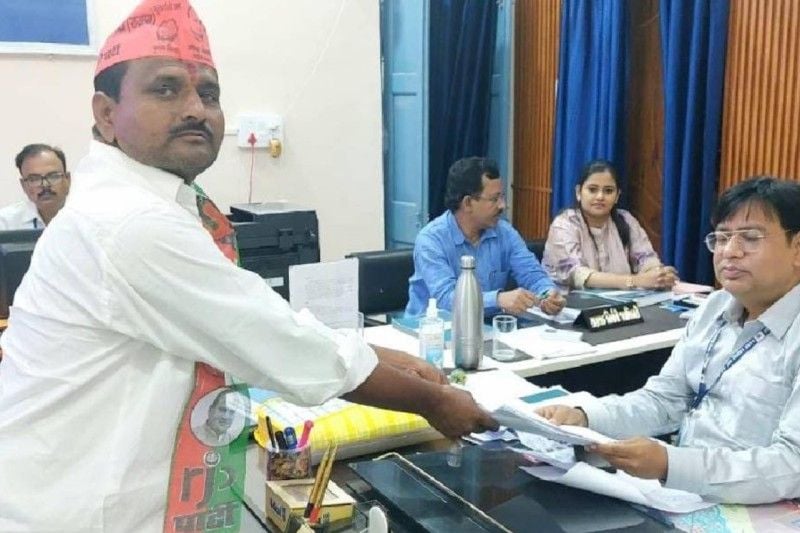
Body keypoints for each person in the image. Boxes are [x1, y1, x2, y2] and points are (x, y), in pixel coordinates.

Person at [0, 1, 496, 530]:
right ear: (106, 113)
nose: (195, 108)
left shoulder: (151, 204)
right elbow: (271, 340)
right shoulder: (127, 223)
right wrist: (433, 403)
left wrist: (388, 357)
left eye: (208, 93)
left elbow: (252, 319)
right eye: (165, 89)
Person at [539, 176, 800, 504]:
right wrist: (585, 416)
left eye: (750, 238)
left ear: (797, 250)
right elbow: (663, 400)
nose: (729, 252)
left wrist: (670, 464)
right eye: (721, 238)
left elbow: (792, 464)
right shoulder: (715, 308)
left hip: (763, 510)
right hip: (686, 497)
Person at [406, 157, 565, 317]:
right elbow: (447, 299)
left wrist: (548, 292)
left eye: (502, 197)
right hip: (432, 331)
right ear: (467, 203)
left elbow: (532, 274)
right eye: (494, 199)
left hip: (486, 328)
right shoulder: (431, 240)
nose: (503, 205)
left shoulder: (504, 232)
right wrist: (498, 300)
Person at [542, 160, 678, 290]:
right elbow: (576, 274)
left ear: (617, 196)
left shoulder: (625, 220)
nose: (600, 197)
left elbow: (646, 258)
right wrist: (636, 281)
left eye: (608, 191)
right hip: (566, 306)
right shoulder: (564, 224)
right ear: (579, 192)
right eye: (592, 190)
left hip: (617, 307)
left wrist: (658, 275)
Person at [0, 143, 71, 229]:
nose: (45, 184)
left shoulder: (87, 217)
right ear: (24, 186)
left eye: (53, 176)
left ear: (67, 180)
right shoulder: (5, 223)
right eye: (35, 179)